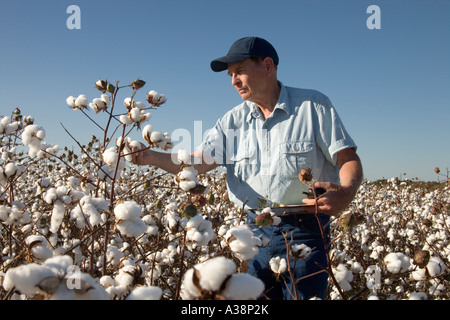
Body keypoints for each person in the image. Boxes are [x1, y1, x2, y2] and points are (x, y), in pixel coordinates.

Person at [130, 36, 363, 300]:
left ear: (267, 66)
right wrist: (150, 156)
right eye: (230, 75)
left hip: (306, 230)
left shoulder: (313, 106)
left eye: (239, 72)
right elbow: (197, 162)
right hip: (253, 233)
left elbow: (347, 157)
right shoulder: (231, 121)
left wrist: (346, 192)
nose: (233, 81)